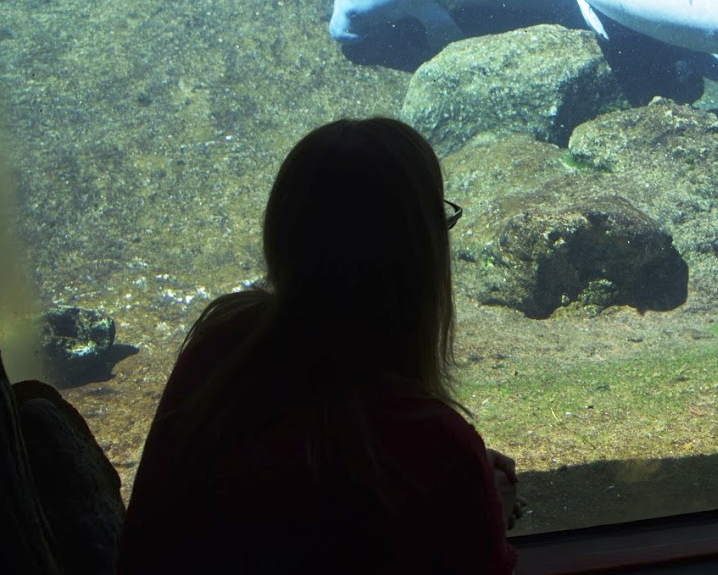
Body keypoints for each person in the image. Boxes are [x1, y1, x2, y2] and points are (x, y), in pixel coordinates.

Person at [119, 117, 523, 573]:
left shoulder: (223, 344)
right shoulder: (436, 441)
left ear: (284, 234)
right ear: (419, 255)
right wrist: (481, 506)